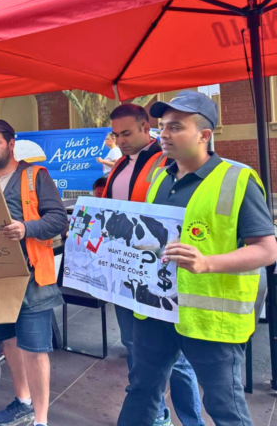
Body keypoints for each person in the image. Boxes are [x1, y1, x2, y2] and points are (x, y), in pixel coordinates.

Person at [117, 90, 277, 426]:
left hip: (211, 320)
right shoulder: (160, 177)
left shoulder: (238, 180)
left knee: (224, 408)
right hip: (157, 311)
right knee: (143, 392)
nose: (164, 134)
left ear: (204, 135)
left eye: (175, 127)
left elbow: (267, 249)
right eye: (163, 127)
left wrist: (207, 263)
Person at [0, 120, 67, 426]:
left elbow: (58, 219)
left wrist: (26, 228)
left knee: (35, 350)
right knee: (8, 343)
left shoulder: (34, 176)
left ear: (11, 143)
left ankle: (41, 421)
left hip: (32, 279)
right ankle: (23, 402)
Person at [104, 104, 204, 426]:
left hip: (159, 273)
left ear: (146, 127)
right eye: (116, 135)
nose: (120, 140)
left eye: (127, 133)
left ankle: (191, 421)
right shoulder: (120, 165)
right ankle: (157, 413)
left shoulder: (167, 162)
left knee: (176, 358)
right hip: (124, 271)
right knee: (134, 346)